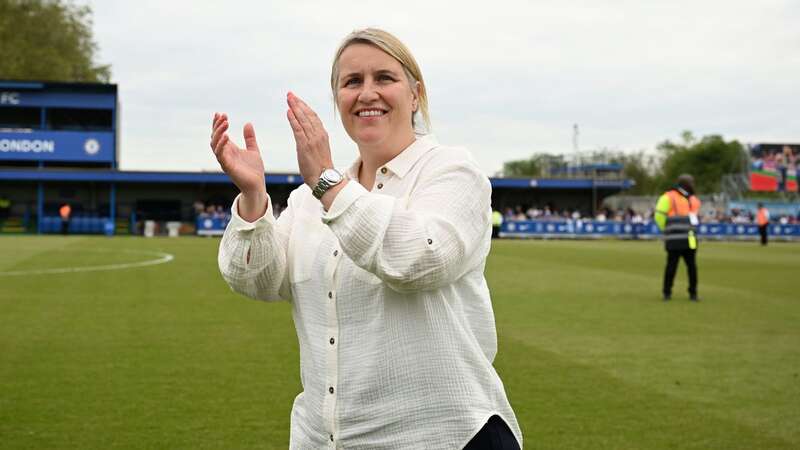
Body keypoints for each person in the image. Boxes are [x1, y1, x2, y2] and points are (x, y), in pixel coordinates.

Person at [210, 28, 521, 449]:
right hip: (325, 439)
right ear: (337, 99)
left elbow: (418, 259)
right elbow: (258, 281)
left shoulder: (452, 172)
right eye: (352, 82)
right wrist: (253, 198)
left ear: (415, 95)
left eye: (384, 78)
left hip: (445, 436)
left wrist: (328, 184)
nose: (367, 93)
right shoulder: (308, 199)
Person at [654, 174, 701, 301]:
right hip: (680, 237)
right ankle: (683, 293)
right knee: (679, 265)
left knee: (685, 266)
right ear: (685, 184)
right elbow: (658, 215)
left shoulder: (692, 199)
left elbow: (659, 216)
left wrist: (666, 229)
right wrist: (667, 229)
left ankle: (675, 293)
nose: (693, 185)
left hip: (684, 237)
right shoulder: (670, 197)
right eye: (692, 182)